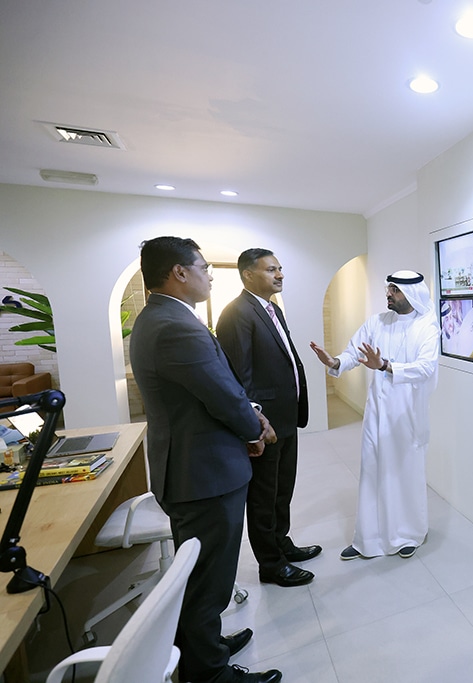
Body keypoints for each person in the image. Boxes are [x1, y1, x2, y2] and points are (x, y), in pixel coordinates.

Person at [130, 237, 282, 683]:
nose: (209, 274)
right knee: (206, 580)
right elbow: (220, 393)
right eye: (202, 266)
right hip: (203, 473)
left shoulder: (162, 317)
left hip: (196, 465)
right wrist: (256, 426)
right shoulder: (175, 326)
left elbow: (215, 386)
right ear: (179, 272)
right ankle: (209, 673)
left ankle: (205, 644)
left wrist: (249, 415)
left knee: (201, 571)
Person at [309, 270, 439, 560]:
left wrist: (385, 366)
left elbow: (426, 367)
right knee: (372, 471)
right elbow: (355, 352)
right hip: (377, 412)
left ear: (413, 294)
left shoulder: (426, 326)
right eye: (389, 288)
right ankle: (367, 538)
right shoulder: (377, 322)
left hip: (407, 414)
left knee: (404, 472)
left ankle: (409, 533)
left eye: (395, 290)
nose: (388, 294)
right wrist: (336, 361)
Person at [216, 248, 320, 589]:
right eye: (271, 269)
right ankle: (271, 564)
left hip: (286, 418)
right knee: (262, 495)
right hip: (266, 423)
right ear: (248, 274)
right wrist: (255, 425)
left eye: (280, 269)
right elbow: (238, 378)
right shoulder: (236, 314)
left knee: (281, 489)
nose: (280, 275)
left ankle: (282, 542)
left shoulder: (272, 309)